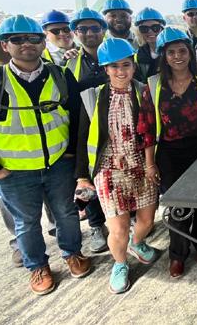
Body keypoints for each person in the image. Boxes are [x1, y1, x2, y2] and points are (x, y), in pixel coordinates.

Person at [0, 15, 90, 295]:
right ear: (4, 45)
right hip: (14, 170)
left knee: (66, 213)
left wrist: (71, 153)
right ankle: (38, 266)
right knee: (26, 222)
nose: (26, 44)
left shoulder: (60, 76)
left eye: (33, 38)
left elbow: (77, 116)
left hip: (58, 163)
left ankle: (72, 253)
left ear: (43, 42)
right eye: (17, 39)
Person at [75, 39, 158, 294]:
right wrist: (81, 176)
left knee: (147, 220)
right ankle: (120, 264)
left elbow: (152, 130)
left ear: (133, 66)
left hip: (141, 165)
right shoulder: (93, 97)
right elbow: (81, 137)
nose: (121, 71)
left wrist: (151, 164)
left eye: (126, 65)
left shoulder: (145, 91)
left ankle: (137, 243)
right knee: (118, 228)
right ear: (105, 69)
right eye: (114, 66)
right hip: (109, 169)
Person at [139, 27, 197, 278]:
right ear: (164, 56)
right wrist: (150, 163)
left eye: (182, 51)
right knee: (178, 206)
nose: (177, 56)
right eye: (171, 52)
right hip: (170, 151)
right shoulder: (153, 85)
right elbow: (147, 127)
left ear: (190, 53)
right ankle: (177, 254)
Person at [66, 8, 110, 252]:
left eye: (95, 28)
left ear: (103, 30)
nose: (89, 33)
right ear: (75, 32)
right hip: (85, 127)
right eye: (83, 29)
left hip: (115, 125)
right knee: (89, 177)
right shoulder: (70, 63)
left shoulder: (116, 53)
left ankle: (129, 220)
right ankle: (96, 225)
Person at [132, 7, 166, 82]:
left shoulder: (171, 51)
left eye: (155, 28)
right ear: (139, 32)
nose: (150, 31)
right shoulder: (137, 55)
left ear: (162, 29)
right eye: (144, 29)